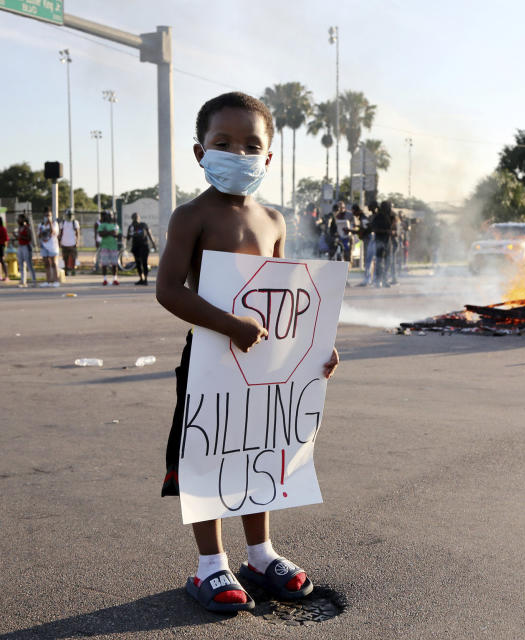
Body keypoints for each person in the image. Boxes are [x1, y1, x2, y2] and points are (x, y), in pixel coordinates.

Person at [155, 91, 339, 614]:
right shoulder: (190, 216)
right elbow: (170, 290)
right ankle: (210, 564)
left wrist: (318, 350)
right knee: (207, 457)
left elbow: (288, 297)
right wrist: (230, 325)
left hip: (264, 361)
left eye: (249, 145)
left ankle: (260, 554)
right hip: (210, 360)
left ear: (268, 156)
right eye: (223, 143)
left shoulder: (274, 221)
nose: (237, 154)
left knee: (260, 451)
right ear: (200, 152)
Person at [126, 212, 157, 285]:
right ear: (132, 218)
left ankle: (145, 279)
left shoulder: (143, 225)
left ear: (139, 218)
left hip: (144, 246)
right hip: (135, 247)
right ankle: (141, 278)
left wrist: (153, 243)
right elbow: (128, 237)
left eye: (137, 217)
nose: (136, 218)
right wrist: (130, 232)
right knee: (138, 263)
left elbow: (150, 234)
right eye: (134, 217)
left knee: (144, 262)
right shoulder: (131, 226)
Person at [37, 207, 61, 287]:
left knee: (54, 263)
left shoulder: (54, 224)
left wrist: (50, 223)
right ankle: (48, 281)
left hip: (53, 246)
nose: (47, 217)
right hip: (44, 246)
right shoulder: (40, 225)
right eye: (46, 215)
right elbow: (39, 235)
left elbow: (53, 232)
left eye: (49, 215)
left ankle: (56, 280)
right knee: (47, 264)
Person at [98, 210, 121, 285]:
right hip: (104, 246)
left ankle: (115, 279)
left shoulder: (115, 225)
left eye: (110, 216)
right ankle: (105, 279)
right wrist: (111, 232)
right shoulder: (102, 225)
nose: (109, 217)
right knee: (104, 264)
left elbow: (118, 234)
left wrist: (107, 232)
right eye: (108, 216)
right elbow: (101, 234)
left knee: (114, 264)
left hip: (113, 247)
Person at [16, 214, 37, 287]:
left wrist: (21, 236)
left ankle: (34, 280)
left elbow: (29, 238)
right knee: (21, 264)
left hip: (26, 246)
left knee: (29, 264)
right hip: (20, 246)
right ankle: (23, 280)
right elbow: (19, 237)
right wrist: (17, 236)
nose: (18, 220)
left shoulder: (27, 228)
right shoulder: (19, 228)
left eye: (20, 219)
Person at [59, 210, 80, 276]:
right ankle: (66, 270)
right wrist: (60, 241)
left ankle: (73, 270)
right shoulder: (63, 222)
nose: (70, 216)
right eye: (69, 215)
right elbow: (61, 232)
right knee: (65, 257)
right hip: (64, 243)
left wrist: (77, 241)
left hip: (72, 243)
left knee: (73, 257)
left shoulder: (75, 222)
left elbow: (77, 233)